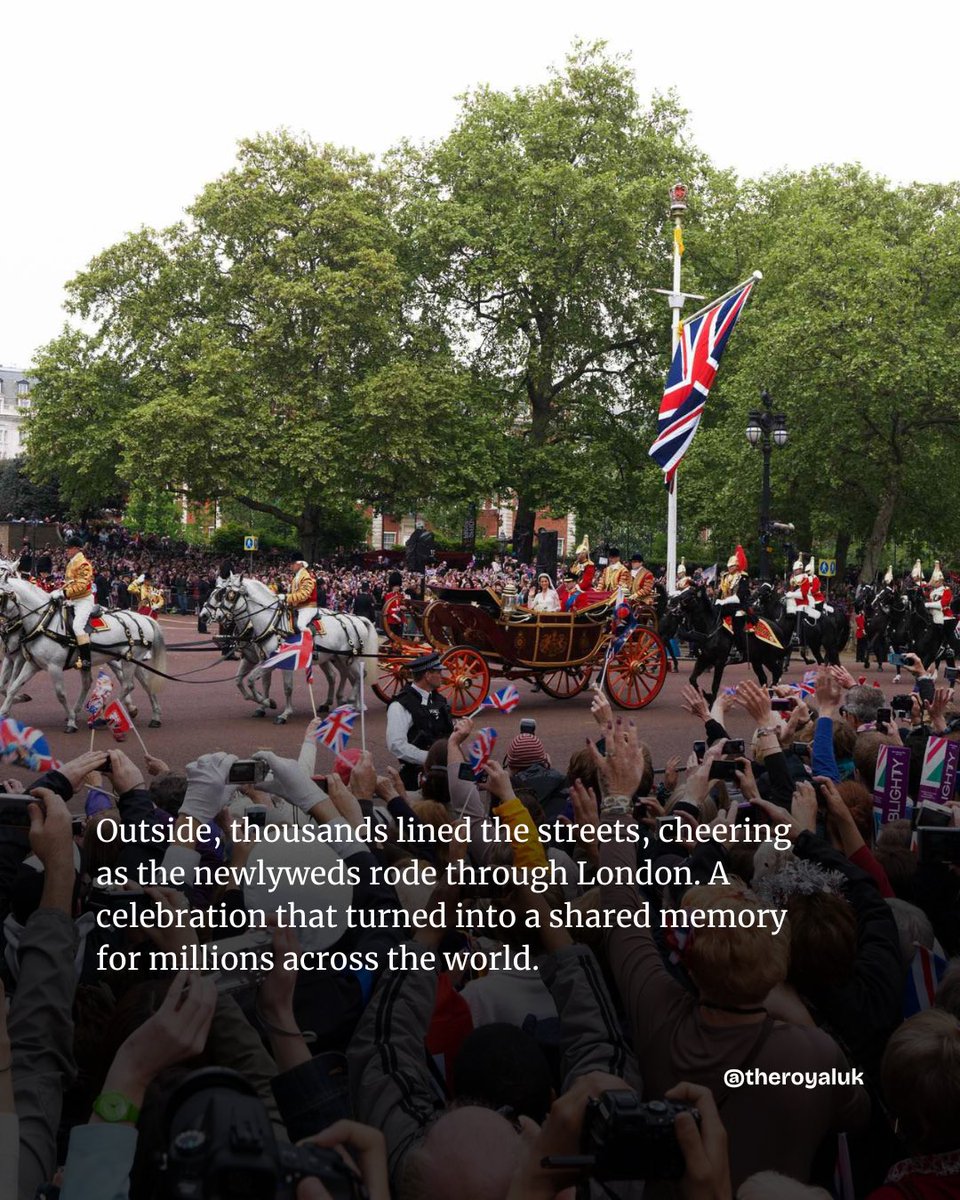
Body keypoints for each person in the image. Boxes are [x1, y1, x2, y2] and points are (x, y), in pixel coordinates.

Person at [386, 651, 454, 789]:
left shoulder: (439, 700)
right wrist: (431, 758)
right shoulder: (400, 705)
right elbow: (397, 745)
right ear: (427, 676)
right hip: (417, 775)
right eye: (438, 672)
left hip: (444, 773)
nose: (442, 676)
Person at [50, 534, 94, 670]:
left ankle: (86, 659)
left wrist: (64, 593)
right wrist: (59, 590)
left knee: (77, 626)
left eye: (68, 548)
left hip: (84, 600)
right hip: (73, 600)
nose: (66, 551)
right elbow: (70, 582)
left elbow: (81, 585)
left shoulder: (84, 564)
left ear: (75, 549)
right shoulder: (72, 563)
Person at [717, 545, 749, 662]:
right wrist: (717, 600)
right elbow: (721, 591)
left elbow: (739, 596)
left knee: (737, 619)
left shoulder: (743, 577)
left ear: (737, 566)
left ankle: (740, 648)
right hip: (726, 605)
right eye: (729, 566)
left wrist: (724, 601)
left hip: (738, 605)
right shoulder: (725, 576)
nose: (729, 568)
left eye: (732, 566)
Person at [279, 557, 318, 634]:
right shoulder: (296, 577)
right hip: (297, 607)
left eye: (293, 564)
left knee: (300, 625)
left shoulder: (307, 577)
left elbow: (304, 595)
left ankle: (310, 644)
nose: (291, 566)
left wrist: (286, 597)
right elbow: (294, 595)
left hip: (307, 607)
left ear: (300, 564)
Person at [382, 571, 407, 640]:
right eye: (396, 586)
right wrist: (396, 616)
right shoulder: (388, 595)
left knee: (399, 638)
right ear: (392, 586)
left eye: (398, 586)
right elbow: (388, 608)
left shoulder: (401, 596)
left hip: (400, 620)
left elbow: (405, 606)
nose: (397, 588)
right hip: (391, 620)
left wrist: (403, 607)